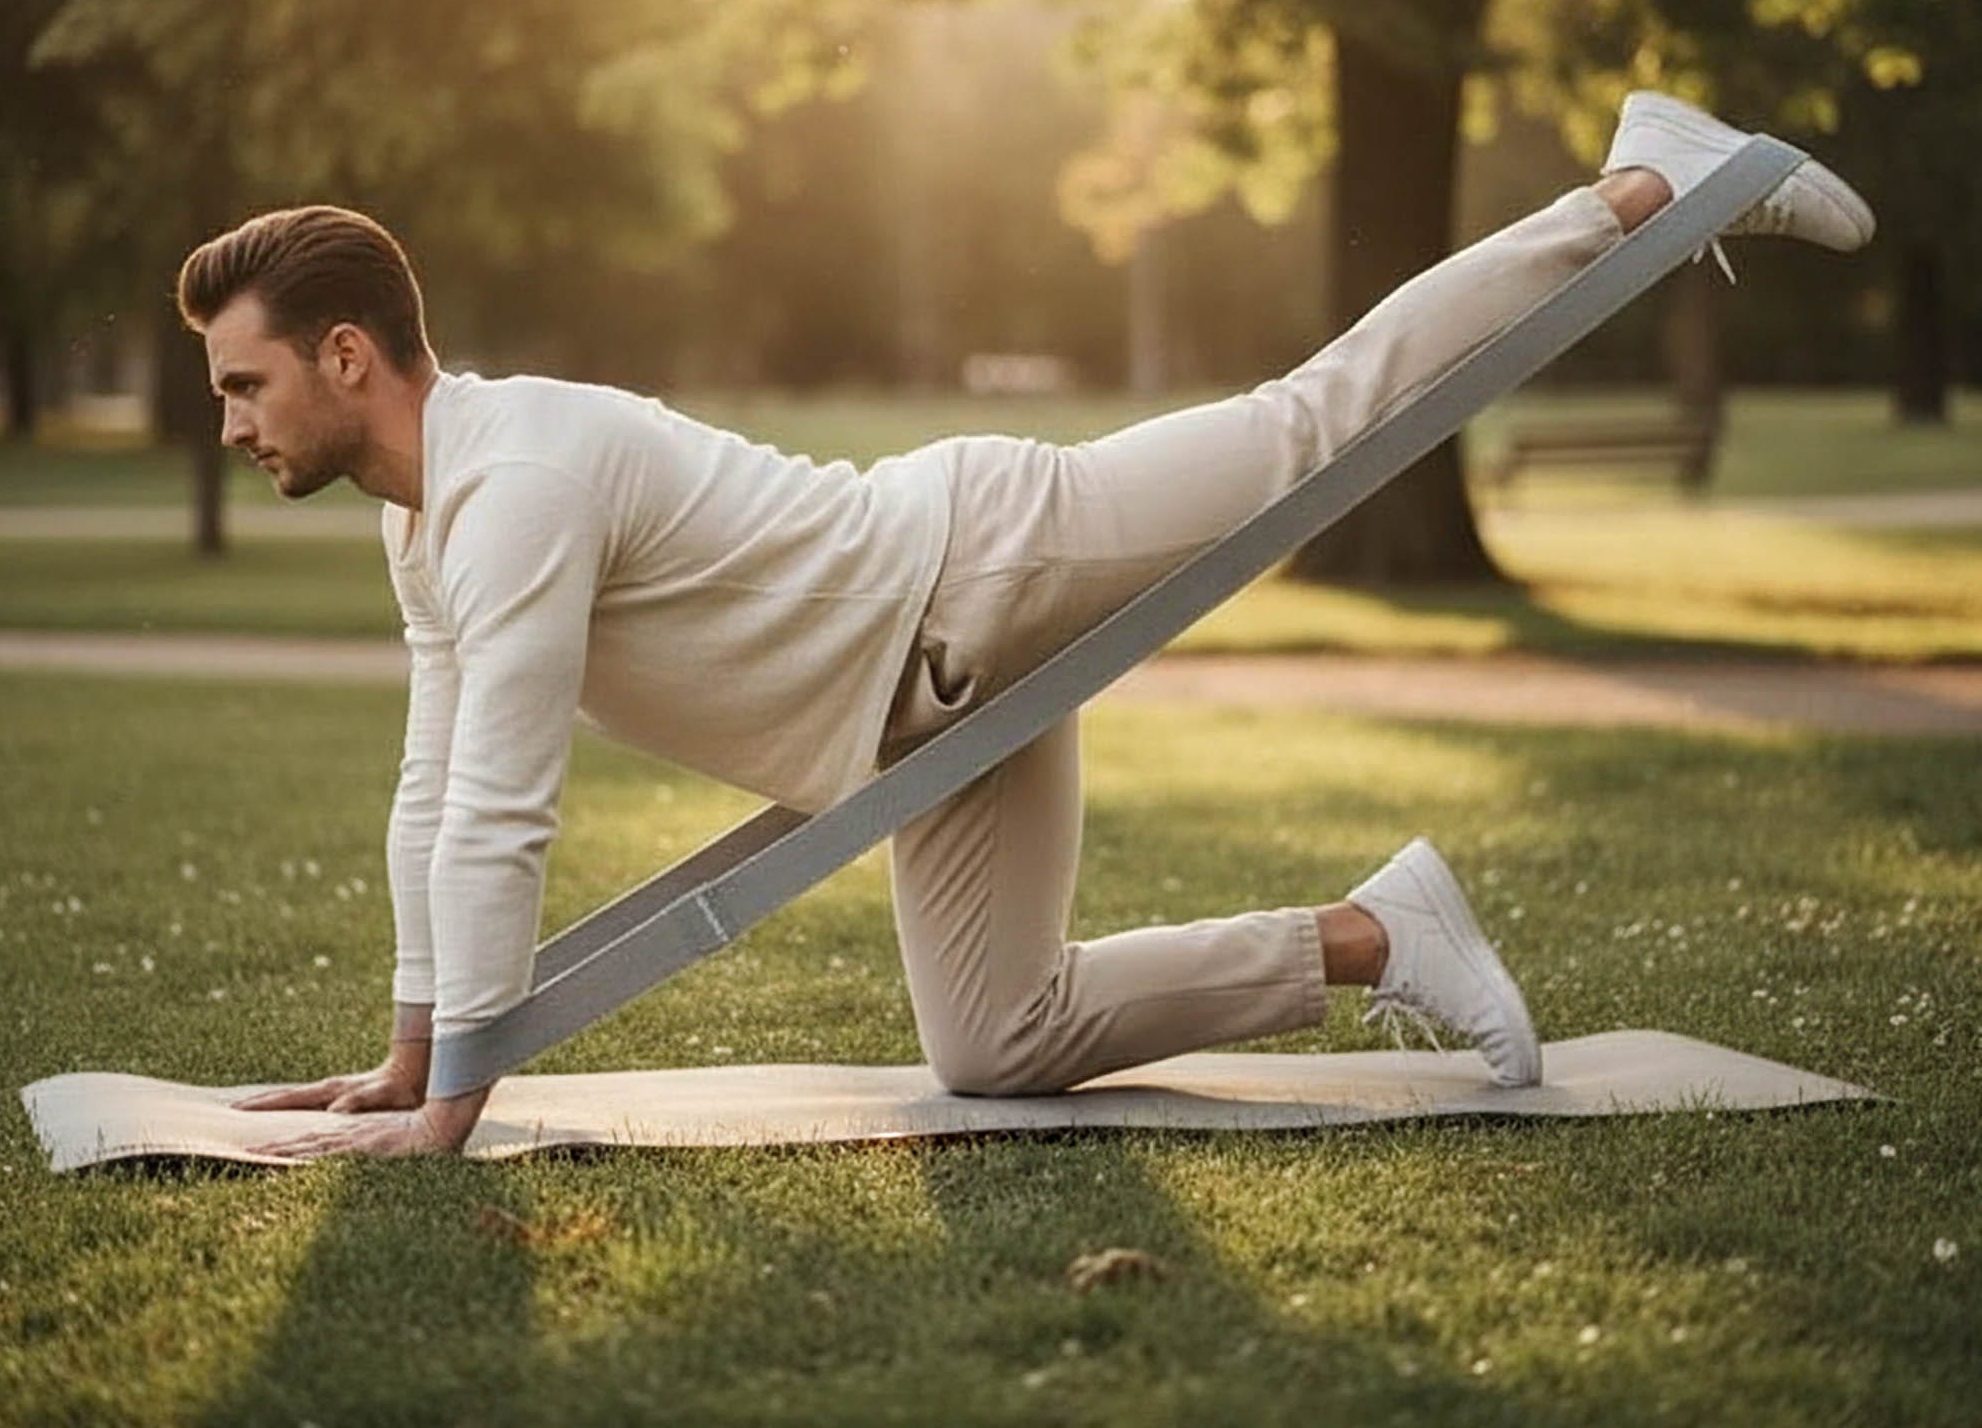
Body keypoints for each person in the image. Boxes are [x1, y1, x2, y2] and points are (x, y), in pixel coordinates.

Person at [190, 90, 1872, 1160]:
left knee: (1314, 425)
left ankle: (1646, 189)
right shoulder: (431, 522)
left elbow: (503, 810)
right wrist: (411, 1056)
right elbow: (434, 795)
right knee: (1002, 1043)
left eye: (245, 383)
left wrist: (455, 1115)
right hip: (919, 722)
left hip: (977, 564)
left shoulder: (522, 478)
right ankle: (1375, 935)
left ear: (351, 356)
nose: (233, 424)